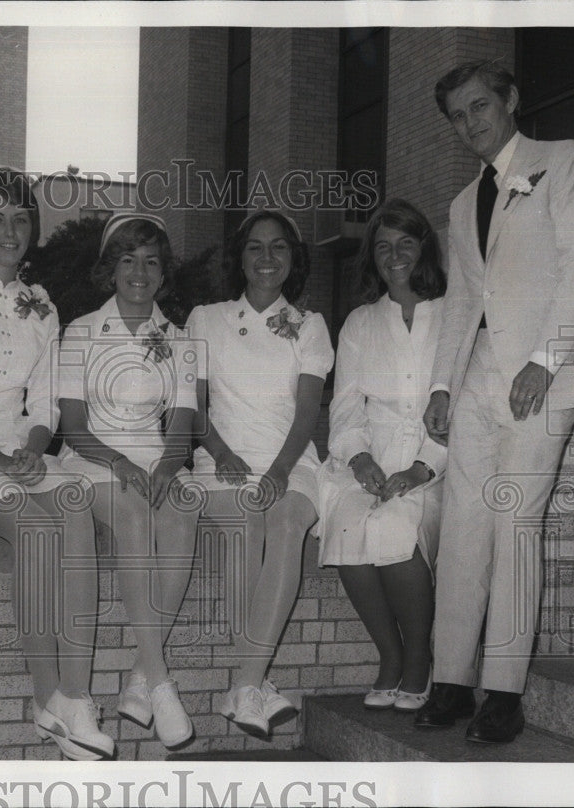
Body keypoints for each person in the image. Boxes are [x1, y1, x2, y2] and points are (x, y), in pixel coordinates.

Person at [417, 60, 574, 743]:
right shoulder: (461, 203)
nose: (471, 122)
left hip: (542, 378)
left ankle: (503, 691)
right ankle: (450, 680)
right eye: (458, 115)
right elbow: (465, 299)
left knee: (514, 526)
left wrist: (544, 360)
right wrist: (441, 385)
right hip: (476, 380)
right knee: (465, 526)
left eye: (479, 106)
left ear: (510, 100)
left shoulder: (564, 162)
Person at [0, 167, 110, 760]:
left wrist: (35, 450)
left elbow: (44, 397)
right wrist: (1, 457)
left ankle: (74, 696)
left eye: (19, 217)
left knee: (76, 509)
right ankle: (47, 698)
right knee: (38, 531)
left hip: (28, 452)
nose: (9, 230)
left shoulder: (44, 304)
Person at [187, 210, 334, 736]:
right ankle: (252, 686)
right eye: (255, 247)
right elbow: (193, 408)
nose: (266, 258)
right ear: (239, 257)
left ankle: (246, 684)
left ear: (293, 260)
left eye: (278, 248)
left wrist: (278, 471)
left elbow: (307, 413)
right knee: (249, 519)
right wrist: (222, 452)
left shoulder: (310, 325)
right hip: (222, 462)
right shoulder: (206, 318)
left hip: (291, 461)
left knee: (289, 521)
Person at [58, 214, 200, 749]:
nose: (139, 272)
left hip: (152, 459)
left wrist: (167, 465)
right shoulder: (81, 331)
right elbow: (72, 426)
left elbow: (182, 427)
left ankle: (141, 674)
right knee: (136, 515)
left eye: (151, 261)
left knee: (184, 509)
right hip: (93, 461)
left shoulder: (180, 338)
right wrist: (120, 463)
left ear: (163, 273)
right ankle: (159, 681)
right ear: (110, 268)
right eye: (127, 259)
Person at [317, 199, 447, 712]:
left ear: (424, 249)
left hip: (437, 458)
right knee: (349, 525)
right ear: (372, 256)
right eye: (383, 246)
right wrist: (359, 458)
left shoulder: (454, 314)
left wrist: (421, 467)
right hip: (371, 453)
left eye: (406, 244)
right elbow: (345, 407)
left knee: (395, 532)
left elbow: (462, 400)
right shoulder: (359, 323)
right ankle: (389, 657)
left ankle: (418, 661)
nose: (395, 256)